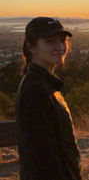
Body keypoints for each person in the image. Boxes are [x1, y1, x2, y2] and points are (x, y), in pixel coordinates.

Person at [15, 17, 82, 180]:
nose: (59, 47)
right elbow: (43, 158)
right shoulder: (35, 92)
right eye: (49, 41)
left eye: (62, 40)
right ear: (32, 47)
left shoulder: (45, 84)